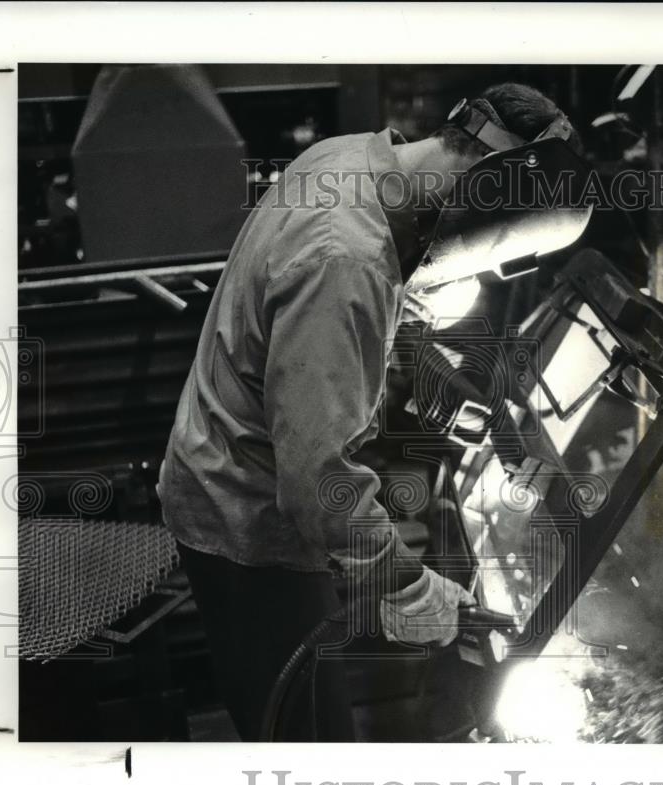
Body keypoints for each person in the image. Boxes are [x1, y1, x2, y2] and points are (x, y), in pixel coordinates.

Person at [158, 82, 580, 741]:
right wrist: (405, 587)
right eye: (497, 247)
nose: (484, 263)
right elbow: (316, 480)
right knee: (306, 744)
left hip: (225, 469)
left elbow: (342, 307)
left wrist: (420, 361)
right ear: (490, 196)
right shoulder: (345, 258)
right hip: (248, 519)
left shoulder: (347, 158)